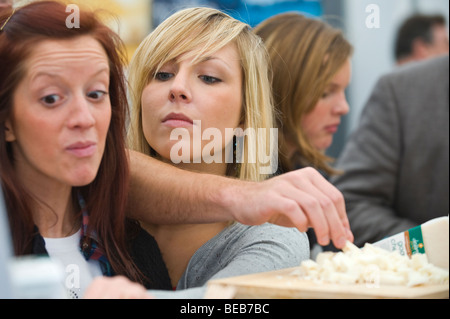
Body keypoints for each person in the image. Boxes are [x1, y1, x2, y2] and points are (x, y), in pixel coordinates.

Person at [127, 7, 309, 298]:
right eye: (162, 74)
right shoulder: (92, 209)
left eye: (209, 77)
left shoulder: (273, 237)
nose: (177, 87)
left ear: (244, 114)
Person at [0, 1, 171, 298]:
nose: (84, 118)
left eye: (95, 93)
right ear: (6, 123)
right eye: (51, 98)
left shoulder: (135, 252)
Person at [253, 13, 353, 253]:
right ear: (280, 89)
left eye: (343, 91)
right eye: (326, 92)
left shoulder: (307, 170)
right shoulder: (240, 176)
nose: (343, 108)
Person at [330, 55, 449, 247]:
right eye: (326, 92)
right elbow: (350, 206)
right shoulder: (403, 91)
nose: (343, 108)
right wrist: (431, 246)